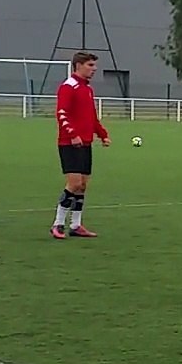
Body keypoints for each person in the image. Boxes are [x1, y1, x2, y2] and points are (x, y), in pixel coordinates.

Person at [51, 51, 110, 239]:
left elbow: (91, 117)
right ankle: (58, 224)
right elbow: (61, 113)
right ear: (78, 65)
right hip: (70, 143)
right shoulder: (68, 86)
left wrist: (102, 134)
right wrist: (73, 134)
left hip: (85, 142)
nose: (94, 69)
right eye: (90, 65)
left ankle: (76, 225)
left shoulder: (87, 89)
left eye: (94, 65)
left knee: (82, 185)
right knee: (74, 183)